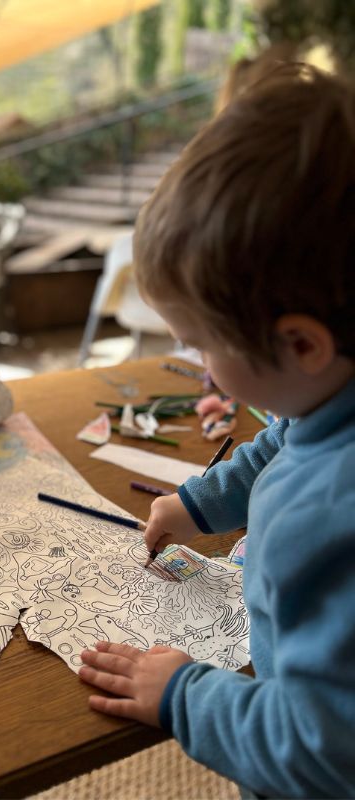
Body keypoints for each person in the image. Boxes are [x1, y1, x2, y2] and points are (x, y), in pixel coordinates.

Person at [78, 63, 355, 800]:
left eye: (202, 346)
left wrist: (182, 693)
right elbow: (286, 437)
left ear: (301, 345)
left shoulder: (326, 528)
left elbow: (319, 749)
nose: (197, 366)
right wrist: (197, 503)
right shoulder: (332, 391)